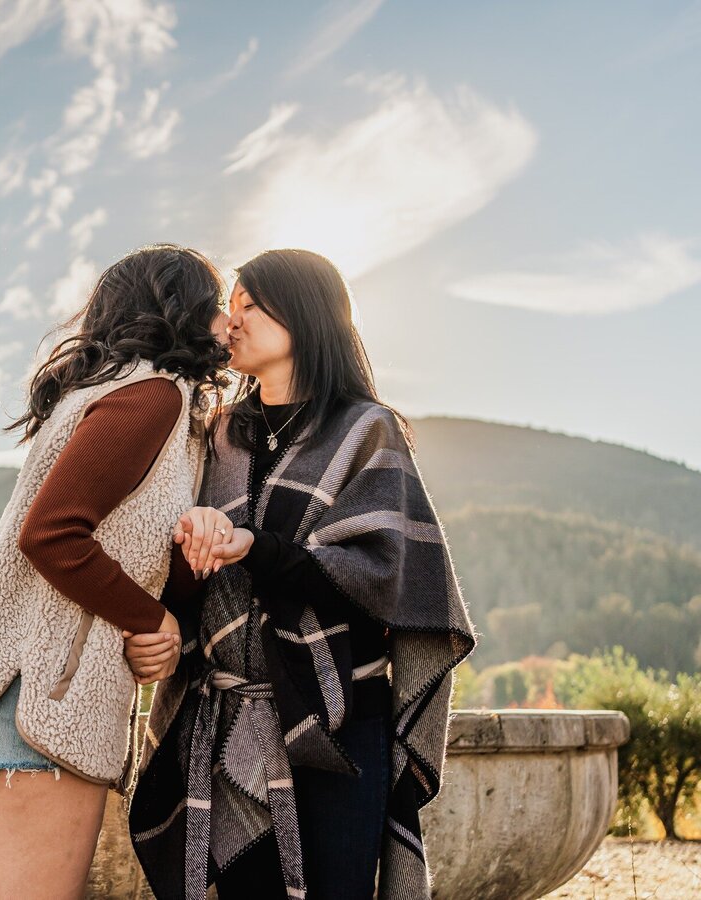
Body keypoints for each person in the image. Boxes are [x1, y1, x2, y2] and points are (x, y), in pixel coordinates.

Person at [124, 248, 476, 900]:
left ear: (305, 314)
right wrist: (185, 562)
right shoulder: (220, 434)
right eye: (229, 307)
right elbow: (187, 566)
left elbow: (379, 577)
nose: (232, 321)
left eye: (249, 304)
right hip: (227, 721)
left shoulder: (367, 431)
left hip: (337, 726)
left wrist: (253, 545)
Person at [0, 244, 228, 900]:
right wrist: (152, 621)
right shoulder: (151, 397)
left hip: (36, 693)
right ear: (186, 308)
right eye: (219, 301)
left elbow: (131, 543)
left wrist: (175, 586)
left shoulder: (136, 396)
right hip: (36, 698)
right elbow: (52, 535)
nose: (227, 318)